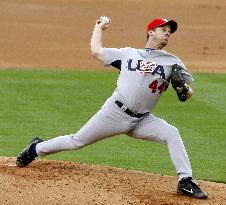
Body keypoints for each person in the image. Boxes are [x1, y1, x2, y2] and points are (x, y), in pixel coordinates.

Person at [16, 16, 208, 199]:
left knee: (171, 133)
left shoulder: (172, 61)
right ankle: (35, 149)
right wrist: (99, 27)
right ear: (151, 32)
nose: (168, 33)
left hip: (142, 120)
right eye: (163, 30)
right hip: (115, 113)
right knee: (77, 141)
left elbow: (188, 92)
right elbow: (96, 51)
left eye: (170, 31)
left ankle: (185, 180)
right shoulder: (128, 54)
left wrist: (184, 89)